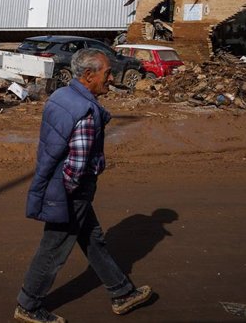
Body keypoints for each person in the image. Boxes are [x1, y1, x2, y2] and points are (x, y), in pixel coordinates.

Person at [14, 49, 152, 323]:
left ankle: (122, 291)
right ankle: (28, 305)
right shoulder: (87, 112)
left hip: (57, 181)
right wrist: (69, 192)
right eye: (107, 73)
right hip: (70, 191)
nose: (111, 79)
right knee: (54, 248)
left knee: (92, 239)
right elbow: (76, 165)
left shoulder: (61, 96)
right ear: (89, 75)